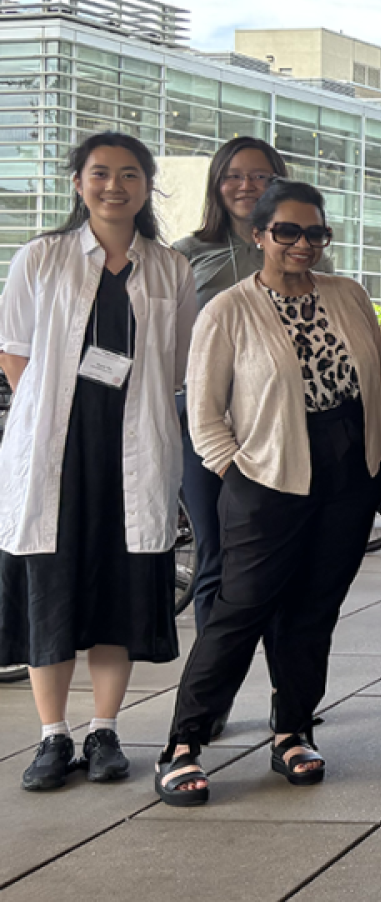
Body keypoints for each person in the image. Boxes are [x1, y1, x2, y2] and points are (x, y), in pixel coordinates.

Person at [157, 180, 381, 805]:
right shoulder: (229, 309)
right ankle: (183, 744)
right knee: (242, 608)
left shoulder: (348, 295)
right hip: (267, 475)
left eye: (314, 233)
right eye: (286, 231)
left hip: (351, 472)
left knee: (315, 609)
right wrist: (234, 470)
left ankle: (293, 730)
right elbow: (203, 411)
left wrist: (380, 457)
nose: (302, 244)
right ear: (259, 234)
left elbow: (374, 380)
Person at [0, 132, 196, 792]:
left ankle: (104, 727)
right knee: (50, 588)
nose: (115, 185)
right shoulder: (43, 257)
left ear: (147, 186)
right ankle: (53, 736)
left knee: (118, 586)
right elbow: (15, 352)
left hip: (133, 447)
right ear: (78, 181)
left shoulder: (170, 267)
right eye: (101, 173)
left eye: (130, 175)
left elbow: (178, 360)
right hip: (56, 451)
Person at [172, 138, 306, 640]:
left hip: (284, 427)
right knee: (216, 556)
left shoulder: (302, 246)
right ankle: (212, 694)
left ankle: (286, 695)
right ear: (216, 183)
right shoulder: (186, 255)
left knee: (283, 557)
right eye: (234, 175)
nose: (246, 185)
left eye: (260, 176)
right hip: (205, 426)